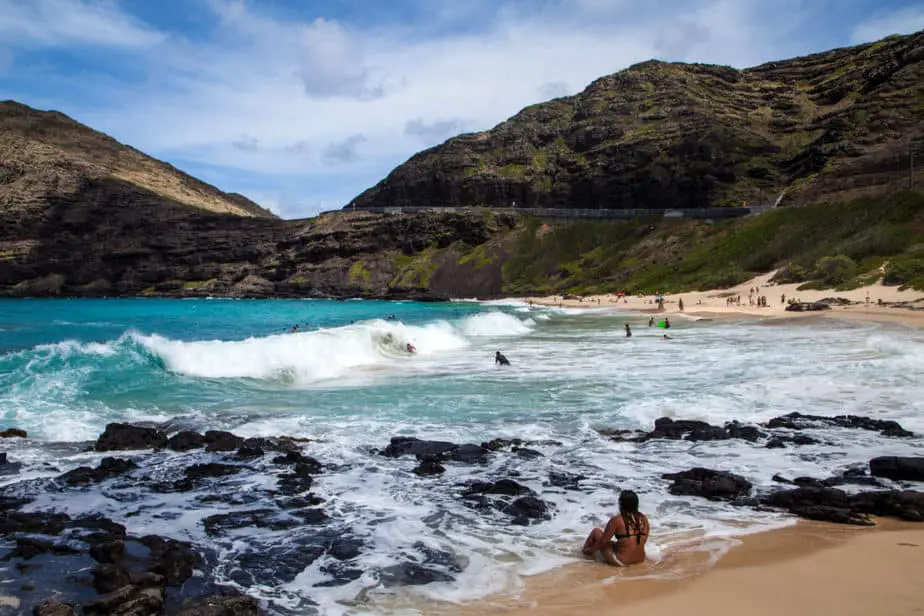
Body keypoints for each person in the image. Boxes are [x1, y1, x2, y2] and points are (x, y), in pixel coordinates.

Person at [582, 490, 650, 567]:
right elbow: (643, 541)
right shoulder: (644, 519)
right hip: (640, 559)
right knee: (618, 542)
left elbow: (602, 542)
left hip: (621, 562)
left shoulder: (616, 520)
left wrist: (590, 550)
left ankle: (584, 554)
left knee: (596, 532)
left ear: (621, 504)